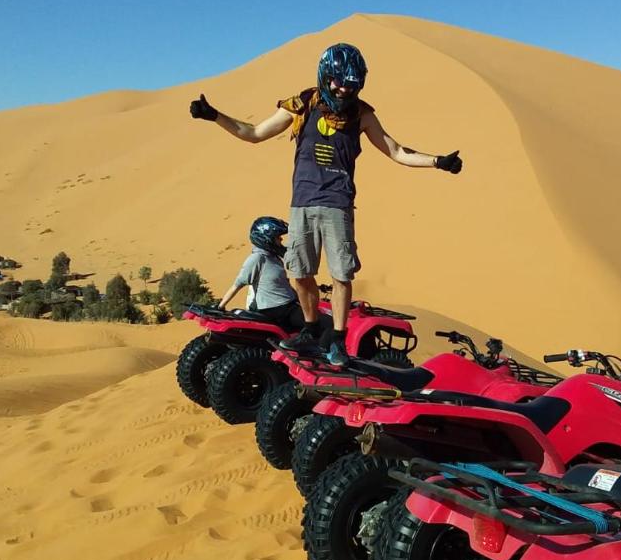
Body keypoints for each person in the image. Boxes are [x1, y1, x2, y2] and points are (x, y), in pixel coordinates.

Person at [190, 43, 462, 365]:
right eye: (339, 81)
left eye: (352, 83)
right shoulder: (302, 104)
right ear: (326, 76)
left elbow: (396, 151)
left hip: (337, 203)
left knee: (341, 273)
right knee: (299, 273)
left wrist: (437, 161)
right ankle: (308, 329)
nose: (344, 89)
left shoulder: (362, 114)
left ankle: (337, 339)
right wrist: (214, 116)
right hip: (302, 202)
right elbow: (253, 133)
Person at [217, 216, 303, 331]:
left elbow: (283, 284)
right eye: (278, 237)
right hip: (277, 311)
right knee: (321, 324)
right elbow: (237, 284)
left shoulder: (274, 257)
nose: (281, 240)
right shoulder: (257, 258)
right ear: (266, 239)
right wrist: (220, 307)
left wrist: (300, 298)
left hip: (289, 306)